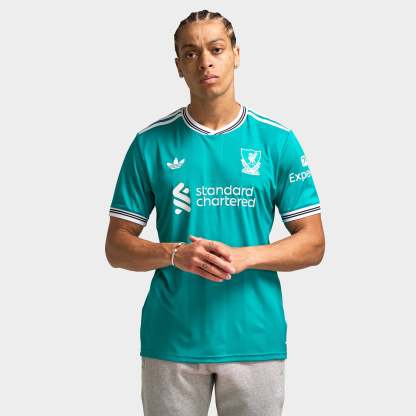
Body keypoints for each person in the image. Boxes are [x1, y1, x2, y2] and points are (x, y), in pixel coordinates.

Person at [105, 9, 325, 416]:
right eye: (191, 53)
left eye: (216, 49)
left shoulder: (277, 141)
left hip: (254, 339)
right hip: (172, 340)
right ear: (178, 66)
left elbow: (313, 243)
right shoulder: (150, 143)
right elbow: (116, 247)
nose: (204, 61)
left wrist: (246, 256)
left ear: (236, 55)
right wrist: (175, 254)